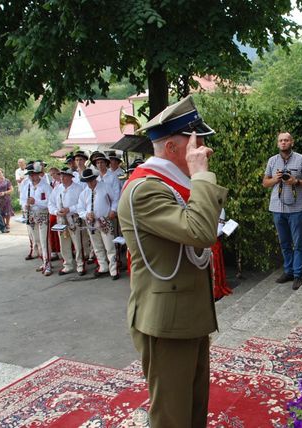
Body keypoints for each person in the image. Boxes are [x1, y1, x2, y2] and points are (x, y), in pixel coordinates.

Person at [117, 95, 227, 427]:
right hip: (165, 322)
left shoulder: (173, 186)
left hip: (186, 314)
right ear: (173, 149)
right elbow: (201, 231)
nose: (205, 151)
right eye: (198, 143)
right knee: (171, 416)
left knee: (193, 409)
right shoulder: (146, 190)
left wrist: (198, 180)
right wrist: (202, 176)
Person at [262, 132, 302, 290]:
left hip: (296, 208)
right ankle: (288, 271)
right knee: (284, 242)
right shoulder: (272, 160)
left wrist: (295, 181)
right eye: (280, 140)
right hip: (277, 208)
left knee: (298, 243)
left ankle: (298, 275)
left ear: (292, 142)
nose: (283, 143)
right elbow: (265, 182)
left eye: (286, 140)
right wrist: (276, 179)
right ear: (278, 143)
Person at [77, 168, 119, 279]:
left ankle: (114, 269)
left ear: (95, 178)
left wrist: (113, 210)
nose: (90, 183)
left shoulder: (105, 187)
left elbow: (115, 199)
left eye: (91, 180)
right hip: (91, 223)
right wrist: (86, 214)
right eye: (87, 181)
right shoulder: (84, 193)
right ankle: (103, 266)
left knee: (109, 246)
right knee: (97, 246)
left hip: (105, 220)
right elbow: (79, 208)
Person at [49, 167, 85, 276]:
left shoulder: (78, 188)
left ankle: (80, 265)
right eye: (61, 176)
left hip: (73, 218)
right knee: (63, 243)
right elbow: (50, 203)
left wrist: (70, 209)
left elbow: (82, 204)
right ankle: (67, 265)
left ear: (70, 177)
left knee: (77, 243)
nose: (62, 178)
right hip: (61, 219)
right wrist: (56, 211)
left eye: (65, 176)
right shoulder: (57, 188)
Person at [20, 162, 53, 275]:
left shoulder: (46, 187)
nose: (31, 176)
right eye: (30, 174)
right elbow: (22, 199)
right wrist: (26, 205)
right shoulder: (27, 186)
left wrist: (36, 202)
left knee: (44, 240)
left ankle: (47, 263)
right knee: (37, 240)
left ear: (38, 174)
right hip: (32, 215)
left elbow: (50, 203)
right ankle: (43, 261)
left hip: (42, 214)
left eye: (33, 174)